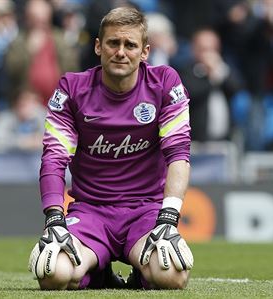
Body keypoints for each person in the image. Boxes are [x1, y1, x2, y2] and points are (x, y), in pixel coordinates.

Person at [27, 7, 193, 290]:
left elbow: (178, 154)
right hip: (91, 212)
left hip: (146, 211)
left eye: (130, 45)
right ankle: (98, 272)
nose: (120, 52)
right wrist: (54, 217)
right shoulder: (71, 88)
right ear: (98, 46)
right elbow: (54, 158)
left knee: (172, 276)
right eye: (113, 43)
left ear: (145, 52)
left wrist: (169, 216)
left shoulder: (165, 83)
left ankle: (141, 276)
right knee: (52, 275)